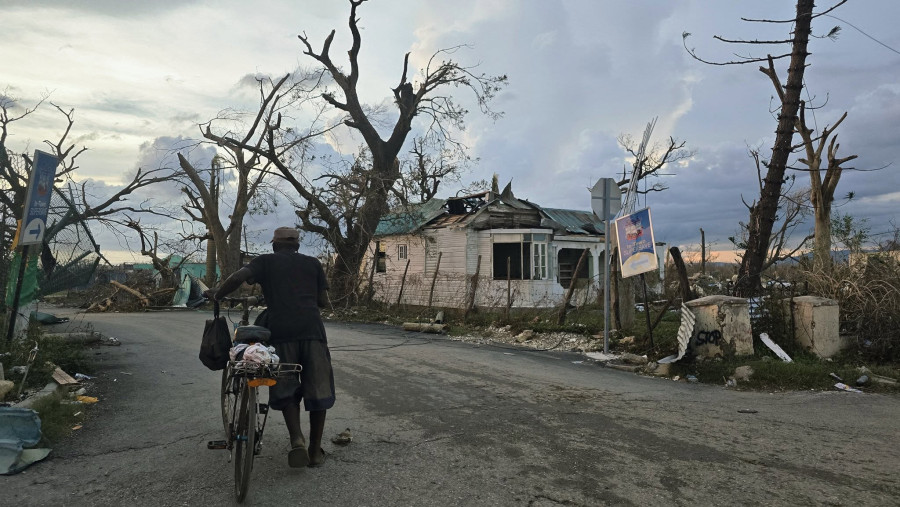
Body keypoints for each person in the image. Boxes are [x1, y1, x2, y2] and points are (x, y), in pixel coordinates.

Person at [208, 226, 334, 468]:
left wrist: (217, 294)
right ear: (297, 245)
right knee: (319, 388)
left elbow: (237, 278)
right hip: (313, 332)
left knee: (286, 385)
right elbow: (323, 301)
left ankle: (297, 439)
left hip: (282, 332)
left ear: (274, 245)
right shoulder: (313, 264)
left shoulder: (265, 261)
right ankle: (315, 451)